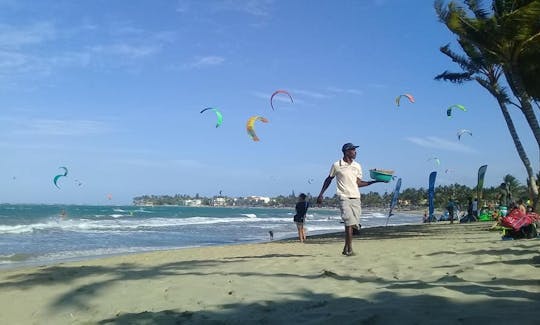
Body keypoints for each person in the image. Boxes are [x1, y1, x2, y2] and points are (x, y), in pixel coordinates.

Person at [316, 142, 382, 256]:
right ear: (346, 152)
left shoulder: (357, 166)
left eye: (355, 150)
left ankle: (345, 247)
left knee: (354, 224)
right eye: (353, 150)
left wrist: (375, 181)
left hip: (356, 197)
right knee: (348, 223)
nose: (355, 152)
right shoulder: (337, 165)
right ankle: (350, 249)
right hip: (344, 197)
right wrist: (321, 194)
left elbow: (358, 183)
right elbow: (329, 179)